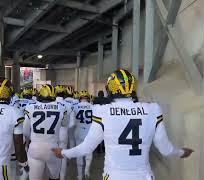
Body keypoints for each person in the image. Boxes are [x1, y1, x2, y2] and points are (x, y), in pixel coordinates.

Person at [52, 69, 194, 180]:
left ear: (110, 89)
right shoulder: (152, 109)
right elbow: (165, 149)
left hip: (115, 175)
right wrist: (181, 152)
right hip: (143, 176)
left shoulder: (103, 111)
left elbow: (87, 147)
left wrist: (64, 153)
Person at [23, 84, 67, 180]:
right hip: (53, 147)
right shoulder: (61, 108)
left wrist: (34, 140)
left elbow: (25, 130)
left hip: (35, 148)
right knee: (54, 177)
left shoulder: (30, 107)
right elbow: (65, 124)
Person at [69, 90, 93, 180]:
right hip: (89, 132)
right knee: (89, 152)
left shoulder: (74, 107)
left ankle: (79, 175)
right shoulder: (93, 107)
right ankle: (87, 171)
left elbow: (72, 124)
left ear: (80, 98)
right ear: (88, 98)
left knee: (79, 153)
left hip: (78, 132)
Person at [54, 85, 72, 180]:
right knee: (63, 155)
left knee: (52, 157)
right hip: (64, 133)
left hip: (52, 133)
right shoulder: (68, 105)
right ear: (64, 94)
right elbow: (72, 123)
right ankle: (62, 177)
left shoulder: (51, 103)